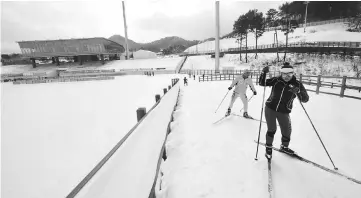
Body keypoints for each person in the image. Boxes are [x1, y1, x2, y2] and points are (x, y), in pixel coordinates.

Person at [259, 62, 309, 159]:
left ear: (293, 73)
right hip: (270, 108)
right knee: (272, 129)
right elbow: (262, 83)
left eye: (289, 74)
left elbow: (305, 99)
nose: (286, 76)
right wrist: (263, 73)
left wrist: (298, 91)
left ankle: (284, 147)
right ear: (281, 73)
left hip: (284, 111)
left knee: (286, 130)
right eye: (284, 74)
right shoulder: (276, 80)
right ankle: (268, 147)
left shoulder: (297, 84)